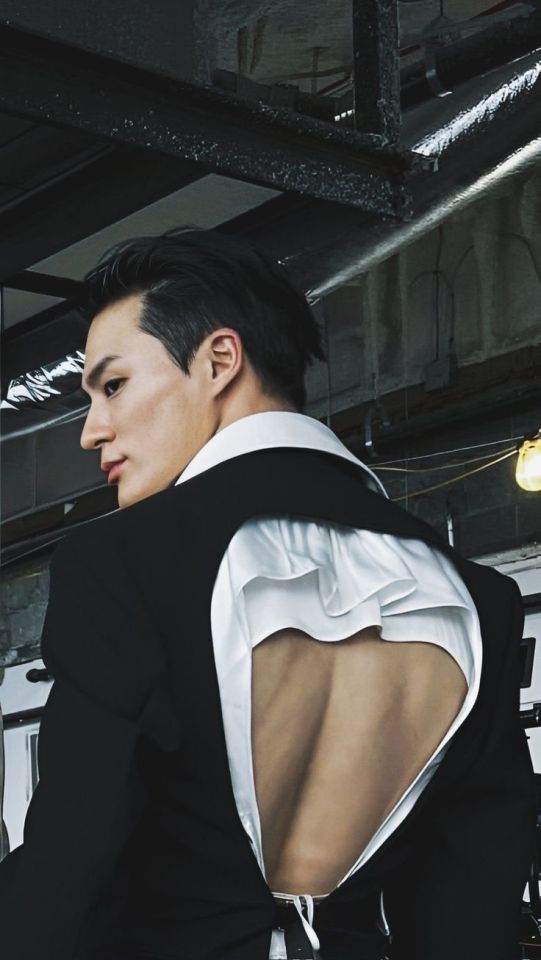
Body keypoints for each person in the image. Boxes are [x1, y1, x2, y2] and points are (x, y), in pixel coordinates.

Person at [0, 227, 535, 960]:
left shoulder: (122, 561)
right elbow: (469, 915)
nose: (93, 431)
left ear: (220, 360)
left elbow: (71, 873)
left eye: (113, 385)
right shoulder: (480, 597)